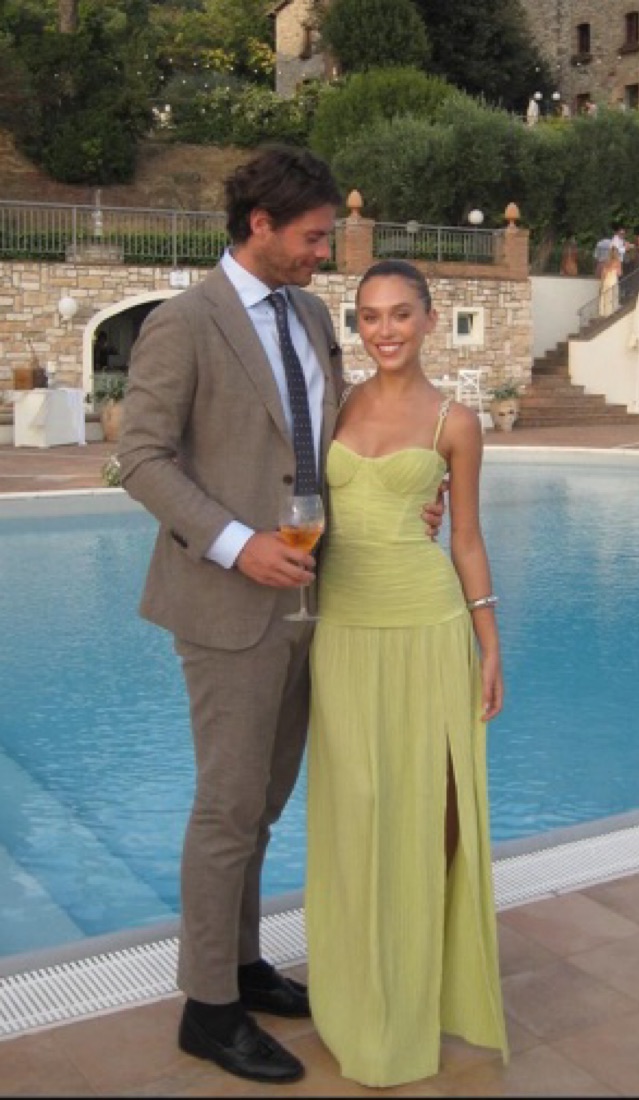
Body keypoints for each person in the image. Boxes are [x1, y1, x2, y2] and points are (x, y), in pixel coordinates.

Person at [116, 145, 443, 1087]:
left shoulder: (308, 315)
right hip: (229, 602)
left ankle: (243, 964)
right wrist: (235, 544)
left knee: (262, 805)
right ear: (259, 225)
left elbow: (331, 438)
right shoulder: (184, 323)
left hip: (315, 596)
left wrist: (398, 499)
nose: (323, 253)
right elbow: (141, 458)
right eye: (312, 237)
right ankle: (207, 1009)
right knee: (227, 807)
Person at [305, 259, 508, 1087]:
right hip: (344, 629)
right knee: (356, 810)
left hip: (429, 627)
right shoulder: (334, 403)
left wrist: (490, 644)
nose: (383, 330)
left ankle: (425, 987)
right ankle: (360, 990)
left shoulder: (456, 422)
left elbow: (465, 538)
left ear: (428, 319)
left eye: (399, 314)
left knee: (434, 809)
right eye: (369, 316)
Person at [598, 245, 622, 317]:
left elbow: (603, 274)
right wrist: (615, 270)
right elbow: (619, 273)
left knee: (605, 296)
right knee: (612, 296)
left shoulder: (606, 262)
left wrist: (601, 284)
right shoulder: (617, 262)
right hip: (613, 280)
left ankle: (605, 312)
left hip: (606, 281)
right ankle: (611, 312)